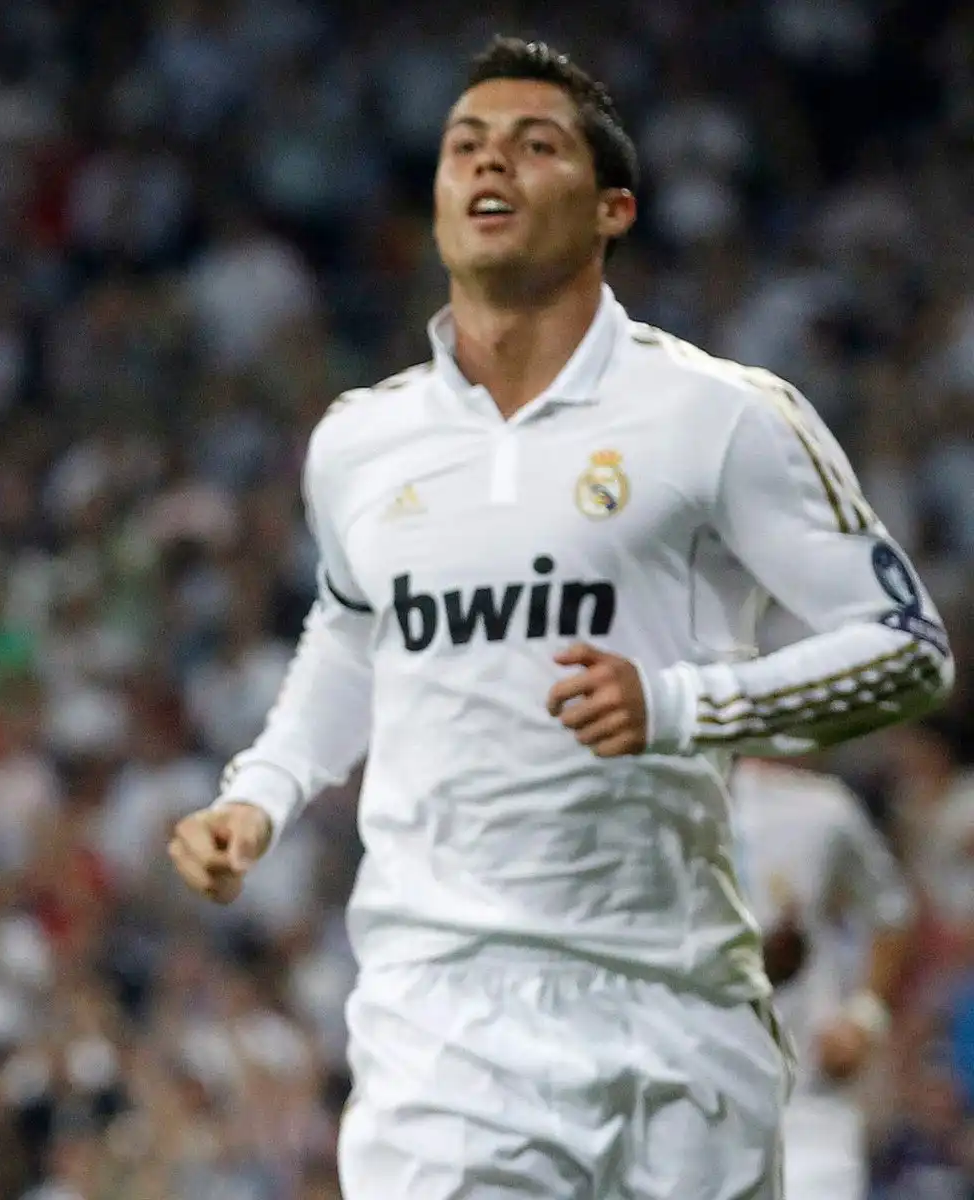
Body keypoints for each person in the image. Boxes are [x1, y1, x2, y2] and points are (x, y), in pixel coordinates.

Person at [167, 35, 955, 1200]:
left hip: (677, 1015)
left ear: (612, 209)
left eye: (535, 145)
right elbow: (351, 635)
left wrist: (683, 705)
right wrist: (262, 793)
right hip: (442, 1020)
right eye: (465, 146)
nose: (491, 163)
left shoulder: (721, 417)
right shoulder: (359, 442)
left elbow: (908, 649)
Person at [733, 758, 913, 1200]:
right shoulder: (636, 808)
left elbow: (891, 913)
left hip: (806, 1099)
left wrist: (864, 1018)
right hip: (685, 1096)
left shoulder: (817, 810)